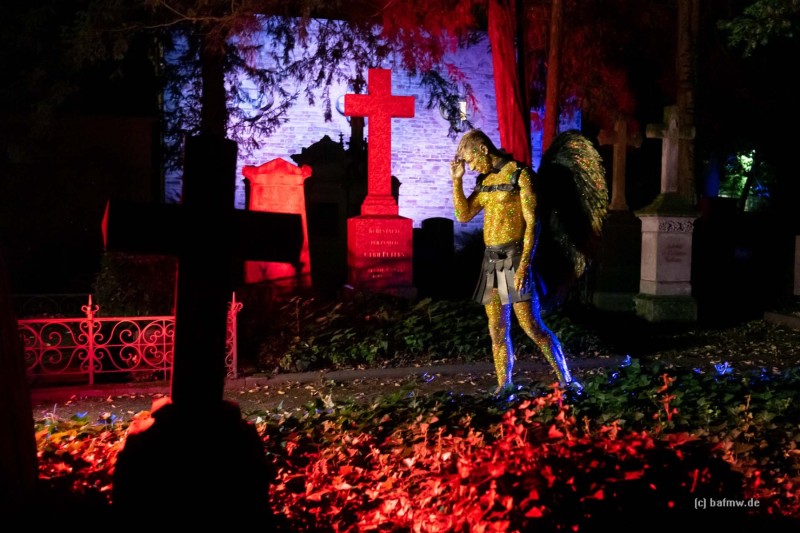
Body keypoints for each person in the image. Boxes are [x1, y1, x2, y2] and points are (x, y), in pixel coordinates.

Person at [450, 129, 606, 396]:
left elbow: (534, 224)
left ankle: (567, 380)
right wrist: (457, 182)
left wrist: (524, 265)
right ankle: (505, 384)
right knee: (496, 328)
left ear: (483, 150)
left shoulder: (520, 176)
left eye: (472, 161)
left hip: (515, 257)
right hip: (492, 260)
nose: (472, 166)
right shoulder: (486, 182)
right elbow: (463, 215)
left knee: (531, 326)